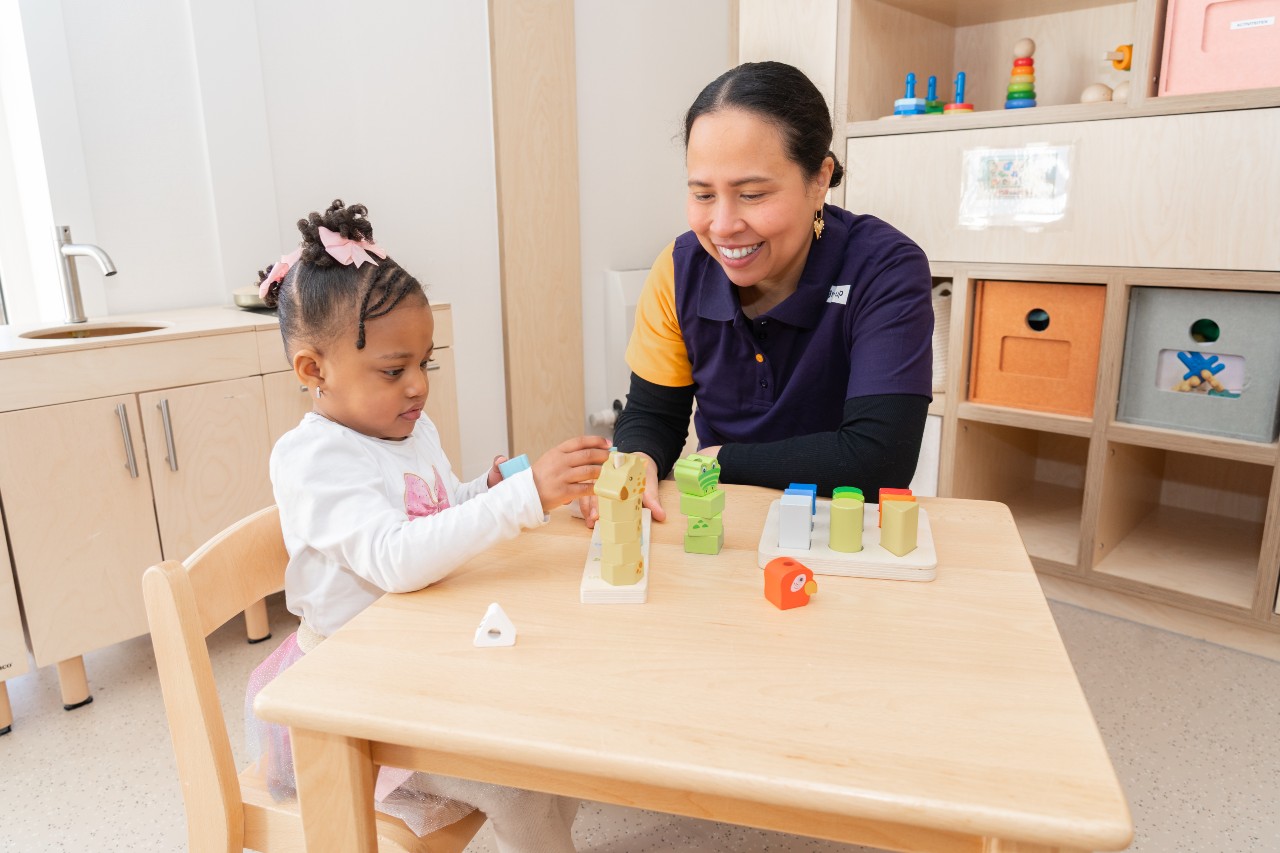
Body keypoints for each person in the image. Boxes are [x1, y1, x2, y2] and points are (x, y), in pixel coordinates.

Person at [245, 199, 607, 851]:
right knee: (517, 775)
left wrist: (488, 487)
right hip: (359, 692)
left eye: (425, 363)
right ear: (313, 370)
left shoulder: (405, 427)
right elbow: (396, 557)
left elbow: (433, 513)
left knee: (557, 728)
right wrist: (520, 498)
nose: (417, 386)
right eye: (393, 369)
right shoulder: (315, 458)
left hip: (423, 654)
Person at [585, 61, 932, 526]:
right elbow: (654, 415)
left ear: (819, 179)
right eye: (703, 195)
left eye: (751, 194)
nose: (723, 226)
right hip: (722, 519)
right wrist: (638, 461)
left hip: (841, 529)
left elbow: (878, 458)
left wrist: (719, 460)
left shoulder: (884, 268)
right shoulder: (678, 269)